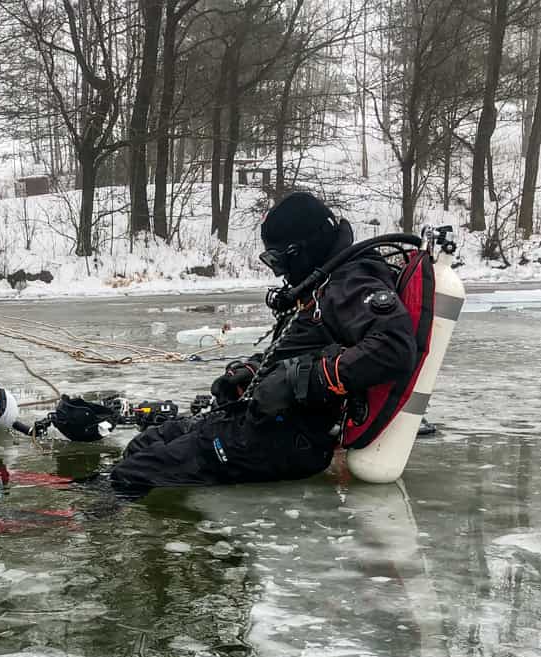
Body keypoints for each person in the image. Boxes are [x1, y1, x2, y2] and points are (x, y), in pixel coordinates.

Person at [109, 191, 417, 494]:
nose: (280, 272)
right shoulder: (324, 281)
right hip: (261, 421)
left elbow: (393, 347)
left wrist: (299, 379)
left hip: (287, 439)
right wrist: (254, 370)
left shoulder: (352, 281)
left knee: (135, 472)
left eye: (279, 260)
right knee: (145, 442)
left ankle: (99, 520)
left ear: (302, 250)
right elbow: (307, 345)